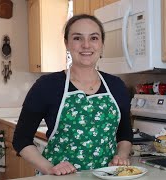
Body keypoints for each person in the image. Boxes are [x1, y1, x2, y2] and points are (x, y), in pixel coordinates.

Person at [12, 14, 133, 176]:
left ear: (102, 44)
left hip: (106, 176)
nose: (86, 45)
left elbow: (124, 134)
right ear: (66, 43)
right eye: (77, 38)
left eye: (94, 38)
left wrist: (121, 156)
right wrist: (49, 168)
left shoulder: (116, 86)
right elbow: (21, 139)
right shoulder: (47, 86)